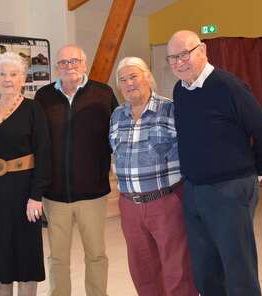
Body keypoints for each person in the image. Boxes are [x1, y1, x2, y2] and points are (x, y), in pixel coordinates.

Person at [167, 30, 262, 296]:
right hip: (194, 191)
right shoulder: (180, 90)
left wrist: (254, 174)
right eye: (172, 58)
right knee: (205, 270)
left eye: (184, 55)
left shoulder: (228, 86)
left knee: (238, 271)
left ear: (202, 50)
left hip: (230, 190)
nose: (178, 62)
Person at [109, 57, 198, 296]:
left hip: (166, 202)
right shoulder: (117, 115)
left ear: (148, 77)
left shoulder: (170, 109)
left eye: (133, 77)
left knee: (177, 268)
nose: (128, 84)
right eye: (123, 80)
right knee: (142, 270)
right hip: (129, 206)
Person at [34, 44, 116, 296]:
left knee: (96, 255)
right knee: (58, 257)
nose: (69, 67)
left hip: (92, 193)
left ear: (84, 63)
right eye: (63, 63)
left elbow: (116, 136)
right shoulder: (43, 96)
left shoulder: (103, 94)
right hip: (55, 194)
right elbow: (37, 141)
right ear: (57, 67)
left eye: (74, 61)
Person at [0, 52, 51, 296]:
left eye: (14, 74)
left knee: (26, 254)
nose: (8, 79)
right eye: (3, 74)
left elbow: (44, 154)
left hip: (25, 194)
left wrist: (36, 196)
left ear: (23, 78)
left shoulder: (33, 109)